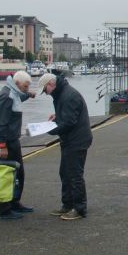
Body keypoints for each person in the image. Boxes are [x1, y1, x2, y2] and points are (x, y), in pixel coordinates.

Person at [38, 73, 93, 221]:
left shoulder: (68, 95)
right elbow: (67, 115)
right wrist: (57, 117)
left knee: (74, 175)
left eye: (45, 90)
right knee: (65, 173)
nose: (46, 93)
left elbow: (70, 122)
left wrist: (50, 129)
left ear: (51, 84)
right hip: (70, 140)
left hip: (77, 140)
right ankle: (67, 204)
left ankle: (80, 208)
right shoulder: (62, 94)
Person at [0, 70, 35, 220]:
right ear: (17, 84)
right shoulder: (7, 96)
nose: (27, 88)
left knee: (18, 174)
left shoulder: (14, 92)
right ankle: (4, 209)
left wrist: (28, 95)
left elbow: (19, 98)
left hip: (13, 140)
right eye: (25, 86)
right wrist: (2, 145)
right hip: (6, 142)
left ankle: (15, 202)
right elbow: (0, 123)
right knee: (6, 175)